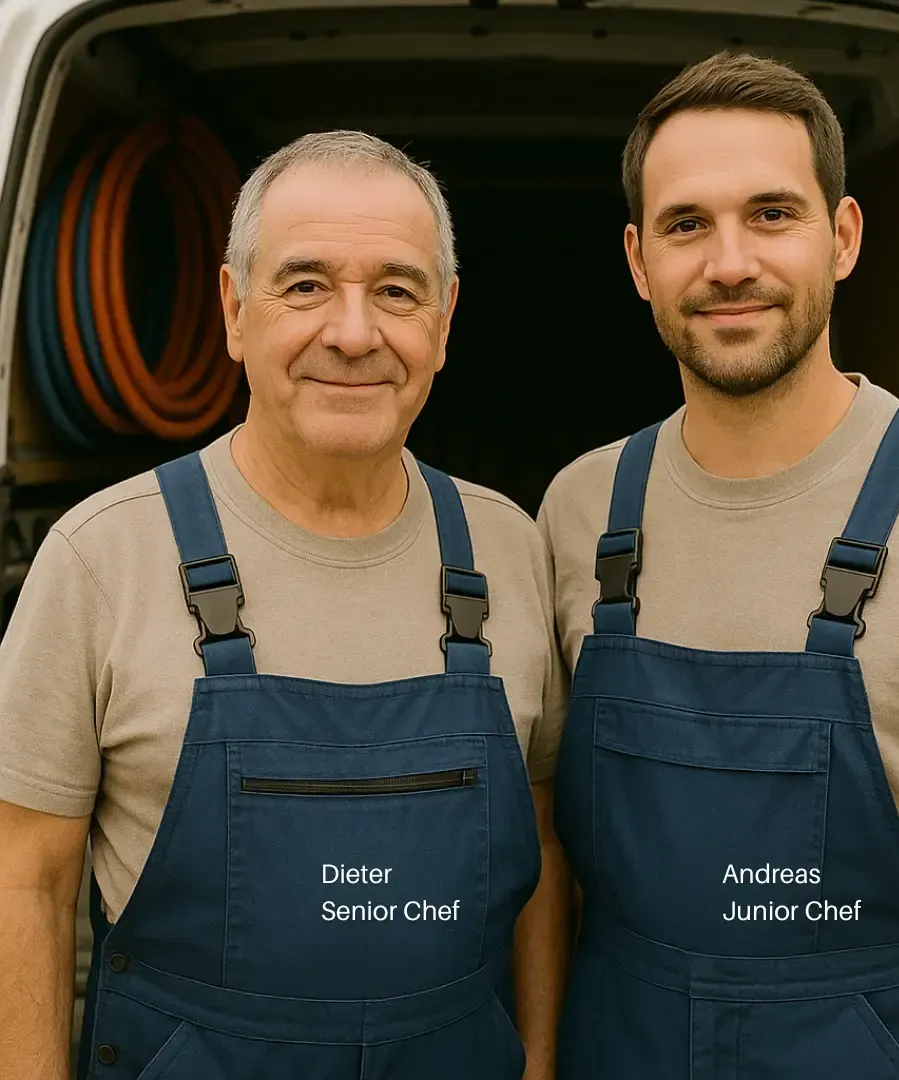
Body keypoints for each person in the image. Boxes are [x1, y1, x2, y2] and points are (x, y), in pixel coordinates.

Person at [539, 52, 899, 1080]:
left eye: (772, 214)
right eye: (687, 223)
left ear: (843, 238)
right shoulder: (578, 512)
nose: (729, 262)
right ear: (638, 259)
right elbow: (550, 856)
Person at [0, 131, 569, 1080]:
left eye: (396, 289)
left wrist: (541, 1063)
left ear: (445, 319)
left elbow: (542, 846)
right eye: (305, 285)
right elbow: (24, 878)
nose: (353, 333)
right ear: (233, 309)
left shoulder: (510, 547)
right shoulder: (102, 557)